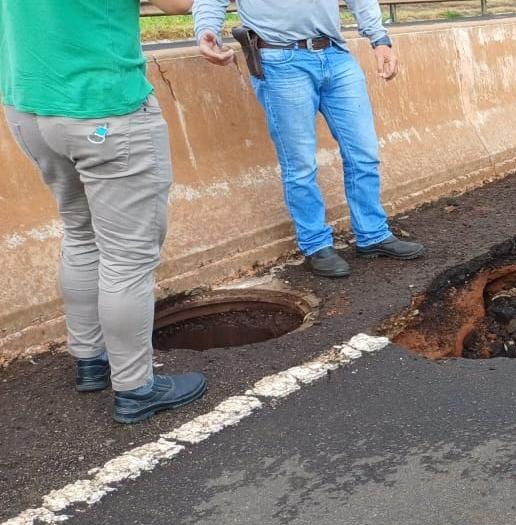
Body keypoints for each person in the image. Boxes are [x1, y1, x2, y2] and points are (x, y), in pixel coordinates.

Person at [0, 0, 208, 424]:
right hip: (101, 104)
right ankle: (136, 387)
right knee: (128, 257)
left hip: (29, 105)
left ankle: (90, 360)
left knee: (80, 233)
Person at [193, 0, 425, 278]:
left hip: (335, 54)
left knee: (364, 152)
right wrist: (207, 29)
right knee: (300, 163)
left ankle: (372, 234)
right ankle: (316, 244)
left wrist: (379, 39)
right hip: (280, 59)